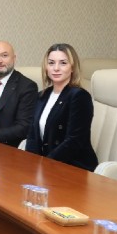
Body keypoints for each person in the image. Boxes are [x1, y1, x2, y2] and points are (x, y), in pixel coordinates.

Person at [25, 43, 98, 171]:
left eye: (63, 63)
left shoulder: (79, 96)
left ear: (72, 68)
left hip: (73, 168)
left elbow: (74, 141)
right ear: (46, 67)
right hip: (46, 167)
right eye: (51, 63)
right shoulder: (41, 96)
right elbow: (32, 136)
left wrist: (44, 164)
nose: (56, 68)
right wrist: (31, 164)